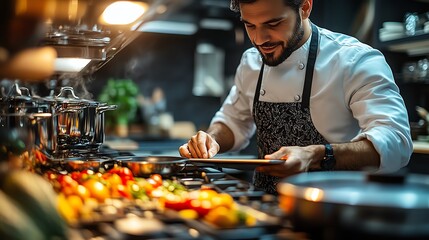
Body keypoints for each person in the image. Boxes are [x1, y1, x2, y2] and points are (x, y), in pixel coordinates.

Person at [179, 0, 413, 194]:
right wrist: (211, 139)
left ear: (305, 7)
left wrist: (317, 155)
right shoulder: (251, 62)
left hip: (334, 210)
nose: (260, 39)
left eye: (273, 23)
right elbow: (233, 122)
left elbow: (396, 142)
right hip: (265, 210)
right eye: (250, 26)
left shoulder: (354, 61)